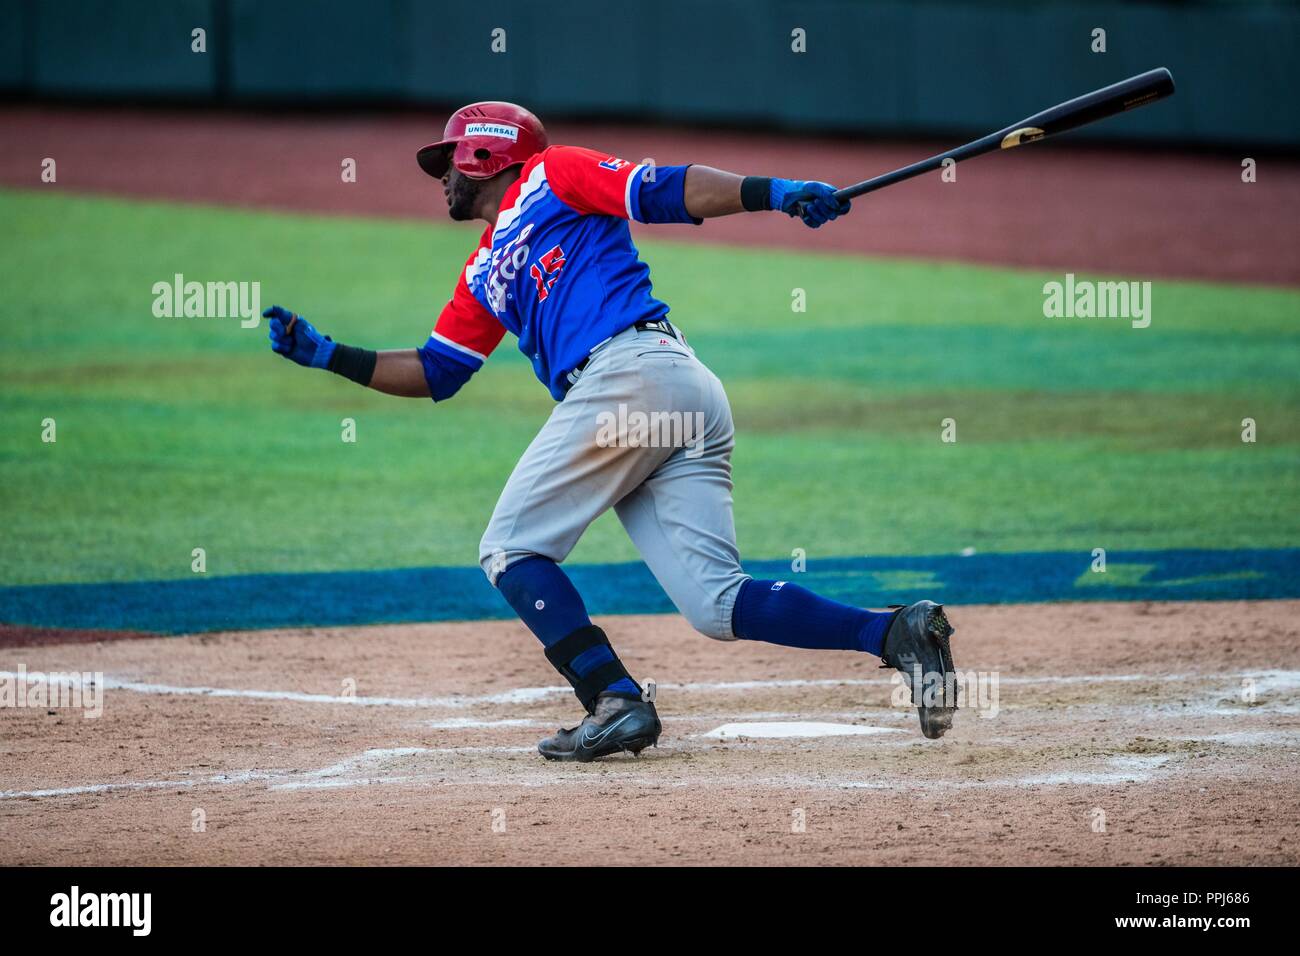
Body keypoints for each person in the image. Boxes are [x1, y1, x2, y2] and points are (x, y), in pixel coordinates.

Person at [265, 101, 957, 762]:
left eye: (448, 158)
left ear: (485, 153)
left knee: (510, 548)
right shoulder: (483, 268)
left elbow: (666, 191)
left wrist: (775, 192)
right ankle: (894, 631)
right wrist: (330, 356)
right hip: (673, 394)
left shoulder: (551, 173)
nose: (441, 175)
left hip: (633, 377)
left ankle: (613, 698)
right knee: (716, 603)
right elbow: (438, 369)